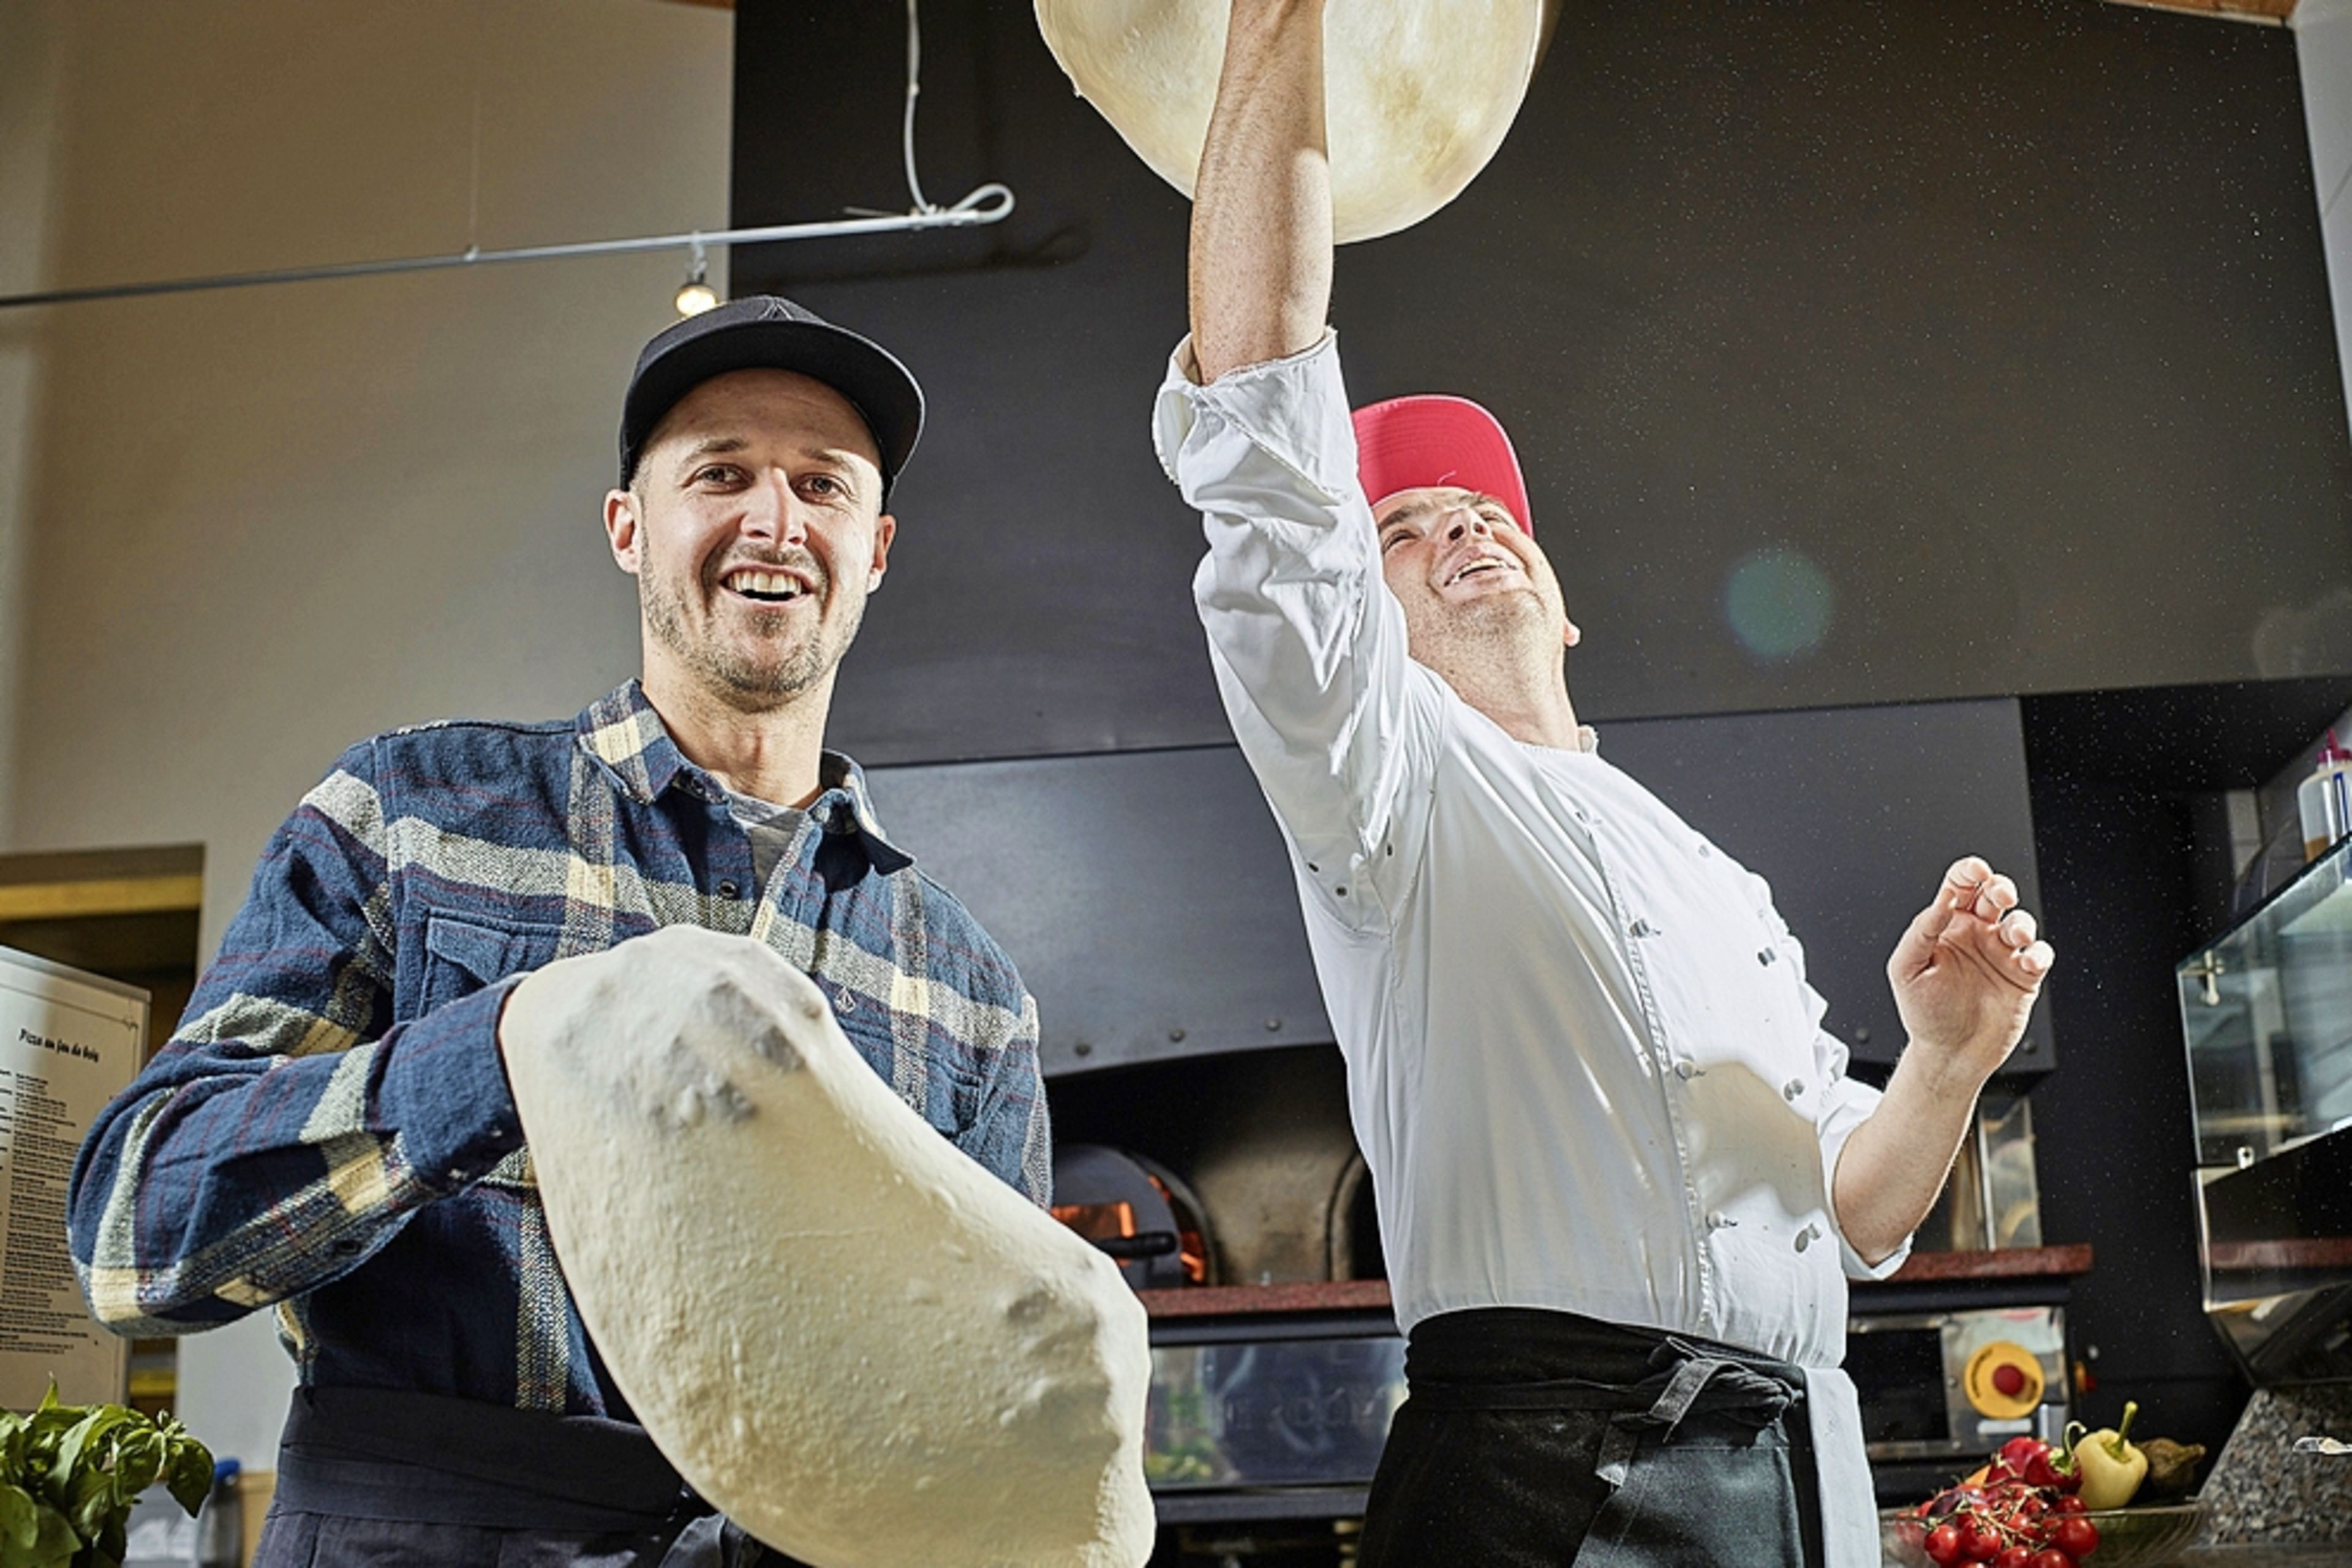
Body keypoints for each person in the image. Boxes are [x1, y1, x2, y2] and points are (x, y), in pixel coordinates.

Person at [1152, 4, 2057, 1564]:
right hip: (1543, 1475)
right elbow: (1256, 420)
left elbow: (1856, 1210)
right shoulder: (1386, 785)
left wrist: (1950, 1058)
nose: (1462, 529)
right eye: (1405, 529)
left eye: (1487, 510)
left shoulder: (1720, 882)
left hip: (1798, 1469)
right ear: (1355, 621)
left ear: (1567, 605)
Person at [67, 296, 1050, 1567]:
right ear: (629, 528)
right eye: (722, 474)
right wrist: (505, 1045)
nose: (775, 520)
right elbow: (134, 1226)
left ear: (875, 550)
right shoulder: (413, 816)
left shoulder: (966, 991)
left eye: (823, 484)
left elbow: (993, 1399)